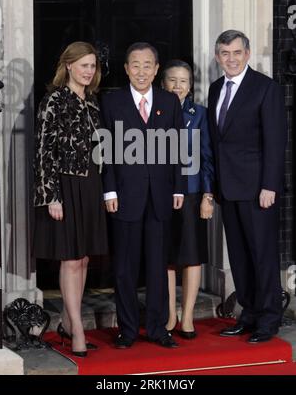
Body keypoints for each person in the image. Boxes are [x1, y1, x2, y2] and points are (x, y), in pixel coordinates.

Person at [101, 42, 185, 349]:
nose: (141, 71)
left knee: (157, 265)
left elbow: (176, 148)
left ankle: (158, 328)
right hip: (124, 195)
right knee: (124, 267)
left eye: (147, 65)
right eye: (135, 65)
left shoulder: (169, 101)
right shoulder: (112, 102)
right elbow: (107, 151)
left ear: (156, 68)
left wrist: (178, 187)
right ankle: (127, 330)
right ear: (126, 69)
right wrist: (109, 189)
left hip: (161, 195)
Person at [208, 30, 287, 343]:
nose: (231, 59)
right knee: (239, 256)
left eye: (237, 52)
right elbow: (217, 141)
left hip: (258, 190)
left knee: (262, 256)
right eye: (225, 53)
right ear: (218, 57)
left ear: (248, 54)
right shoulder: (215, 89)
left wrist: (270, 185)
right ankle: (249, 313)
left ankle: (269, 318)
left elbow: (275, 141)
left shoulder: (265, 88)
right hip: (228, 188)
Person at [33, 41, 108, 357]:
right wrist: (51, 196)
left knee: (85, 258)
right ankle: (77, 328)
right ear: (68, 66)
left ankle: (67, 320)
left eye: (92, 66)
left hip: (90, 185)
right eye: (84, 65)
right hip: (63, 187)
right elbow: (42, 152)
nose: (89, 71)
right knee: (71, 258)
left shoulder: (92, 102)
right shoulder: (53, 101)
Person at [162, 60, 214, 338]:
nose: (177, 86)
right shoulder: (153, 111)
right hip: (162, 194)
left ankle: (189, 315)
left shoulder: (201, 114)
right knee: (167, 257)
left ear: (190, 85)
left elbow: (207, 157)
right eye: (172, 80)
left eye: (183, 81)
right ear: (163, 83)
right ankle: (170, 314)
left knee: (192, 257)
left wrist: (208, 196)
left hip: (193, 193)